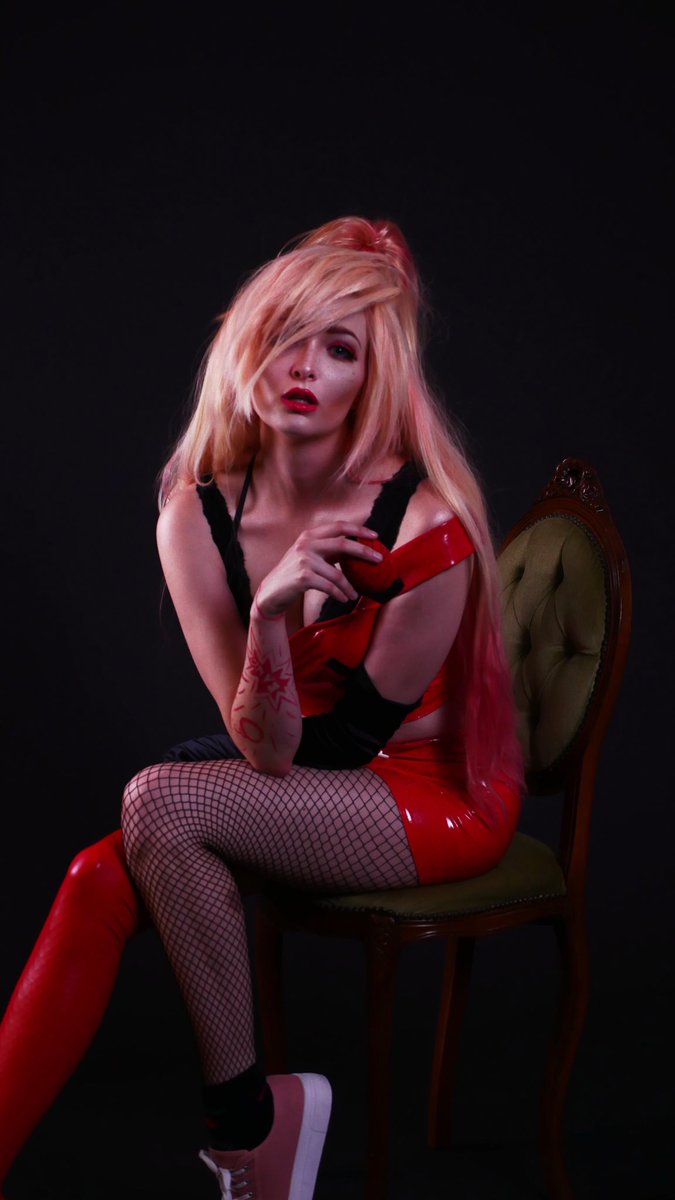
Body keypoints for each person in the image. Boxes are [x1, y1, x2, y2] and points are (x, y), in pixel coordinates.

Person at [0, 216, 523, 1200]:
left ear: (375, 376)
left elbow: (328, 749)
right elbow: (264, 746)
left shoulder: (426, 528)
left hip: (428, 799)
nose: (305, 367)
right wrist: (272, 612)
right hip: (295, 770)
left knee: (160, 800)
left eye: (341, 348)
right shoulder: (196, 515)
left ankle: (244, 1131)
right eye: (285, 334)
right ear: (243, 343)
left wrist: (208, 735)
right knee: (97, 876)